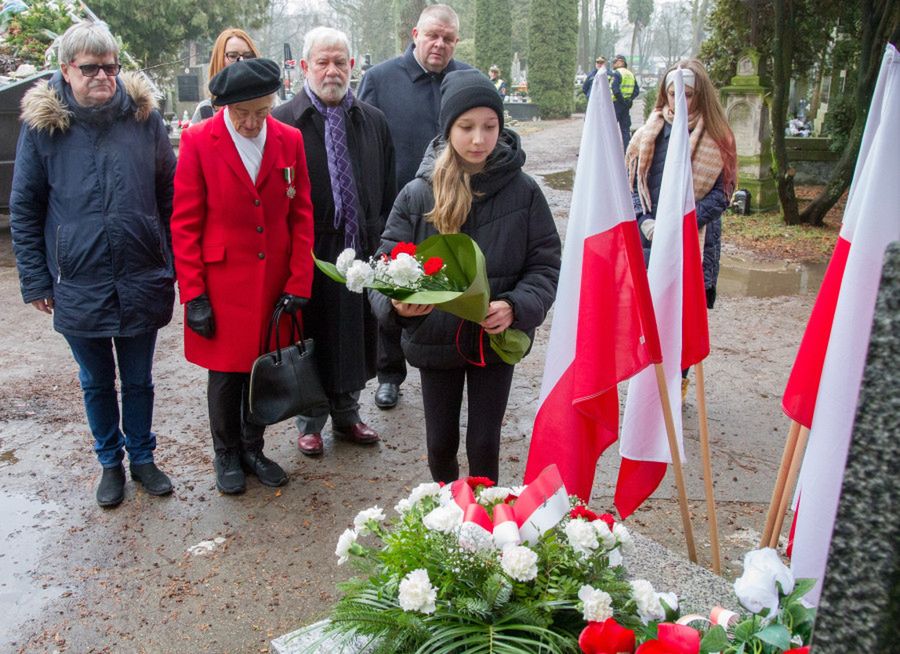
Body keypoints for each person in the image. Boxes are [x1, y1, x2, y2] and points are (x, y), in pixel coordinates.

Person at [9, 21, 177, 508]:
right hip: (77, 279)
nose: (103, 76)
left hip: (141, 270)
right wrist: (36, 278)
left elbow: (168, 192)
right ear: (66, 70)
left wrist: (167, 257)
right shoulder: (44, 128)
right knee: (96, 380)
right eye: (91, 69)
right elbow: (25, 206)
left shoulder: (143, 118)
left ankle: (143, 457)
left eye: (111, 67)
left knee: (141, 377)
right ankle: (110, 461)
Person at [371, 70, 561, 484]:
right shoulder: (418, 193)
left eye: (490, 127)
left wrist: (515, 306)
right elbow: (385, 263)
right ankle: (446, 518)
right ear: (447, 128)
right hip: (434, 338)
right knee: (440, 443)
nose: (479, 140)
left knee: (483, 443)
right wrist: (398, 303)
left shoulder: (524, 191)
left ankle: (486, 523)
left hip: (492, 341)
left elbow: (545, 264)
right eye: (467, 127)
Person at [171, 58, 315, 494]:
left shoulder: (289, 139)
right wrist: (193, 294)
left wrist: (299, 281)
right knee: (225, 374)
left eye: (262, 112)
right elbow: (185, 223)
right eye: (243, 114)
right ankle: (227, 452)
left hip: (274, 279)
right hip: (221, 283)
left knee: (264, 368)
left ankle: (254, 448)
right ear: (224, 109)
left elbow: (302, 215)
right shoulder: (199, 140)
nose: (253, 122)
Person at [272, 27, 396, 457]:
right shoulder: (284, 121)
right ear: (305, 67)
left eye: (340, 62)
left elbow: (386, 185)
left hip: (359, 246)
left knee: (356, 333)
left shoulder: (372, 120)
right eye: (322, 62)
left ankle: (348, 413)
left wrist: (378, 240)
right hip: (309, 247)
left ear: (351, 66)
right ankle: (310, 419)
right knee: (312, 332)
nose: (332, 71)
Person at [357, 4, 472, 410]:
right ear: (415, 33)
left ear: (456, 41)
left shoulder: (467, 79)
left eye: (448, 38)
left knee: (451, 287)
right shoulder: (380, 79)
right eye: (432, 36)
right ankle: (390, 373)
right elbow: (362, 143)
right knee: (395, 286)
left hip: (456, 208)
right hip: (396, 207)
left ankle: (451, 365)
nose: (440, 44)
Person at [625, 59, 737, 400]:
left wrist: (679, 225)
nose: (678, 101)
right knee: (648, 312)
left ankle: (677, 383)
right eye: (673, 93)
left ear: (700, 95)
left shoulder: (719, 139)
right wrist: (645, 221)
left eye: (687, 94)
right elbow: (631, 182)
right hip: (650, 238)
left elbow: (723, 194)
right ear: (664, 94)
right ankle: (646, 380)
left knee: (682, 314)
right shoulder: (647, 135)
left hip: (693, 240)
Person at [190, 28, 261, 124]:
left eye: (247, 56)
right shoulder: (205, 111)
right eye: (232, 56)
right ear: (219, 60)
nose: (241, 61)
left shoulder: (270, 105)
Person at [611, 54, 639, 150]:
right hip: (626, 105)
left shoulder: (617, 73)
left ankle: (613, 152)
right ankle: (627, 153)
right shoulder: (631, 74)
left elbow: (615, 90)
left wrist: (622, 101)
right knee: (625, 131)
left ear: (621, 62)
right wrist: (629, 100)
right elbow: (636, 91)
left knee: (611, 130)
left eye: (615, 62)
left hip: (616, 105)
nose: (613, 64)